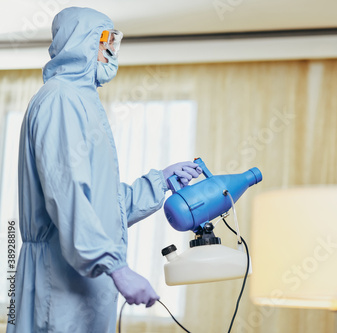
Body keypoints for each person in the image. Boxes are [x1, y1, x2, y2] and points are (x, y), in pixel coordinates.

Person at [7, 7, 202, 333]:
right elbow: (67, 196)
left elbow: (100, 205)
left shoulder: (81, 102)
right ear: (81, 41)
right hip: (59, 281)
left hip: (82, 281)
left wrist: (160, 181)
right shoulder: (60, 99)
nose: (112, 52)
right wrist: (117, 268)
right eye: (105, 41)